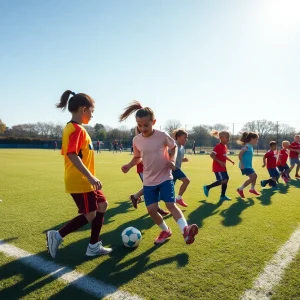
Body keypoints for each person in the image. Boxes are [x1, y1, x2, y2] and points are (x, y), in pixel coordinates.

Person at [120, 100, 198, 245]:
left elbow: (174, 147)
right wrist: (129, 165)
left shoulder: (162, 135)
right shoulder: (136, 140)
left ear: (153, 122)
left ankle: (185, 230)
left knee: (170, 204)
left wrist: (173, 161)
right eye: (139, 125)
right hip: (149, 180)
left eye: (146, 125)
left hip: (165, 176)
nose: (142, 128)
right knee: (151, 210)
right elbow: (137, 157)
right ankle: (166, 230)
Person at [46, 90, 112, 258]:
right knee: (90, 214)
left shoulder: (76, 128)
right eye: (92, 111)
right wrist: (90, 176)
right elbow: (72, 154)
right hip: (81, 180)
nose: (92, 115)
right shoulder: (75, 129)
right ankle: (57, 235)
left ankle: (94, 245)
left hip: (86, 181)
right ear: (83, 109)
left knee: (102, 205)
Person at [129, 127, 169, 216]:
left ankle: (135, 197)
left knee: (153, 186)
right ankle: (152, 205)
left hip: (151, 170)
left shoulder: (150, 140)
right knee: (151, 186)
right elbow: (139, 157)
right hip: (143, 169)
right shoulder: (139, 141)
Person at [203, 130, 234, 202]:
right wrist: (220, 162)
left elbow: (224, 156)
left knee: (226, 179)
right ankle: (207, 187)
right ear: (221, 138)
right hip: (218, 168)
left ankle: (223, 196)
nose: (228, 139)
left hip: (223, 168)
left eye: (228, 137)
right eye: (227, 137)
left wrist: (230, 160)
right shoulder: (218, 146)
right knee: (223, 180)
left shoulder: (225, 146)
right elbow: (212, 155)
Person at [236, 132, 260, 198]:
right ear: (251, 139)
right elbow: (240, 154)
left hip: (248, 166)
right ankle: (240, 189)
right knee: (253, 177)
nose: (257, 141)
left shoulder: (250, 146)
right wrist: (242, 164)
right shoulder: (246, 146)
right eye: (256, 139)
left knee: (255, 176)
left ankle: (252, 189)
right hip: (245, 166)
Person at [172, 129, 190, 207]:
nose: (186, 139)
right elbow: (168, 157)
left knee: (168, 189)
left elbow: (177, 159)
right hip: (172, 170)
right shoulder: (173, 146)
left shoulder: (182, 147)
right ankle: (178, 199)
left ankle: (178, 199)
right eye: (185, 137)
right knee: (186, 181)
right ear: (178, 137)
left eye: (187, 137)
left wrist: (184, 159)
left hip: (177, 169)